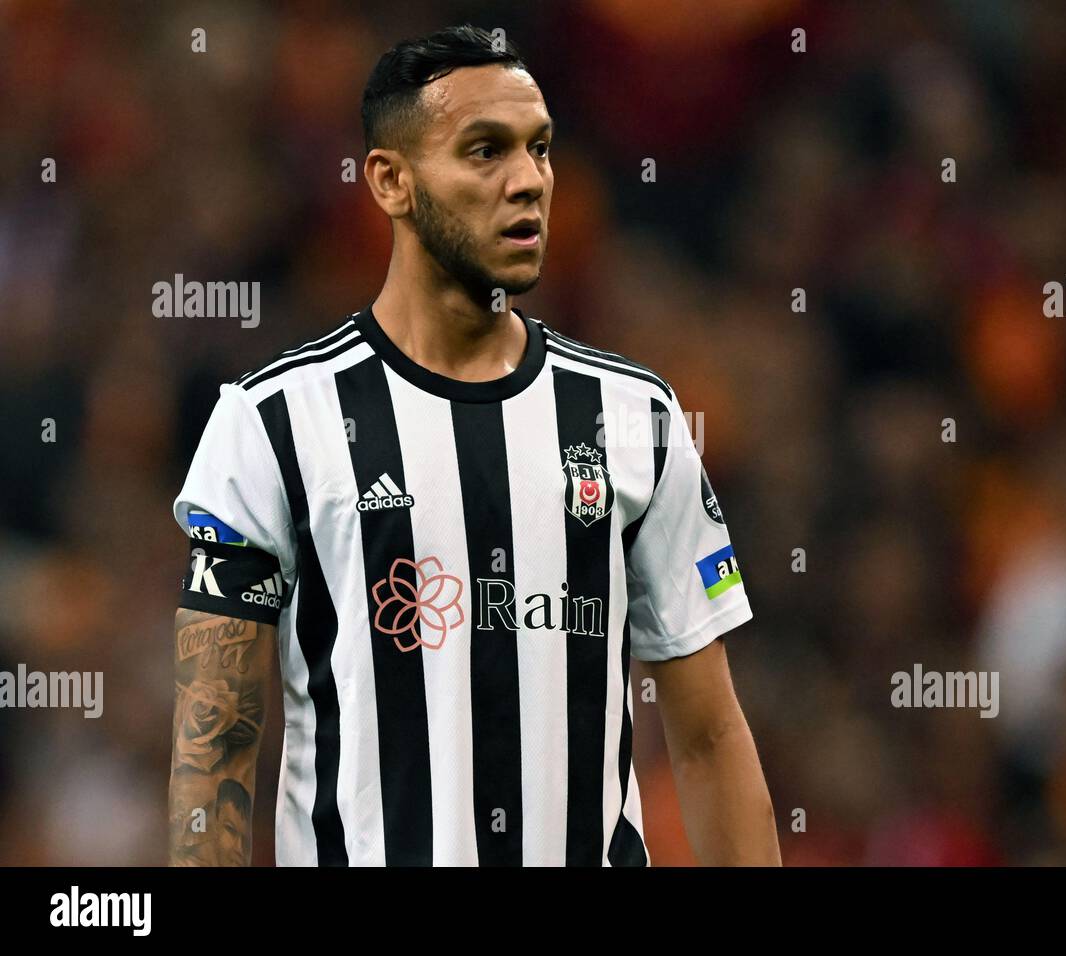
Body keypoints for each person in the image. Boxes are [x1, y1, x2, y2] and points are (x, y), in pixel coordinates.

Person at [167, 24, 779, 866]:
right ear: (390, 182)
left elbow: (708, 737)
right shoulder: (271, 421)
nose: (528, 182)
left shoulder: (633, 417)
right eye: (485, 152)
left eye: (541, 149)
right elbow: (214, 759)